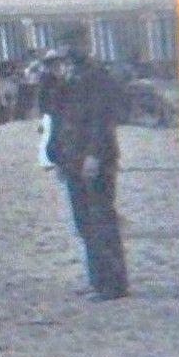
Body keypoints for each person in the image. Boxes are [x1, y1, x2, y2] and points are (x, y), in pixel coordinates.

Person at [45, 30, 129, 300]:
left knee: (101, 219)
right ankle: (98, 280)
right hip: (72, 158)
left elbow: (102, 119)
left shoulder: (97, 76)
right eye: (64, 44)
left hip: (95, 160)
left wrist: (94, 155)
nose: (68, 49)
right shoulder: (66, 77)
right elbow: (56, 117)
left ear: (85, 45)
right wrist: (56, 156)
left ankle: (113, 285)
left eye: (73, 44)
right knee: (83, 222)